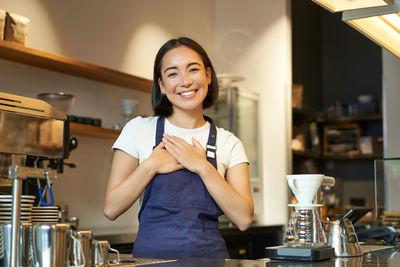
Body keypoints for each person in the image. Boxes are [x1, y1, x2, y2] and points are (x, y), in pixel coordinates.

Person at [103, 37, 254, 259]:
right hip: (149, 262)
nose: (185, 81)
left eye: (193, 70)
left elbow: (243, 219)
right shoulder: (138, 130)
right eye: (173, 74)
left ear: (208, 76)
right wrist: (150, 166)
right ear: (162, 86)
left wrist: (203, 167)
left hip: (210, 262)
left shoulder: (229, 143)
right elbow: (111, 208)